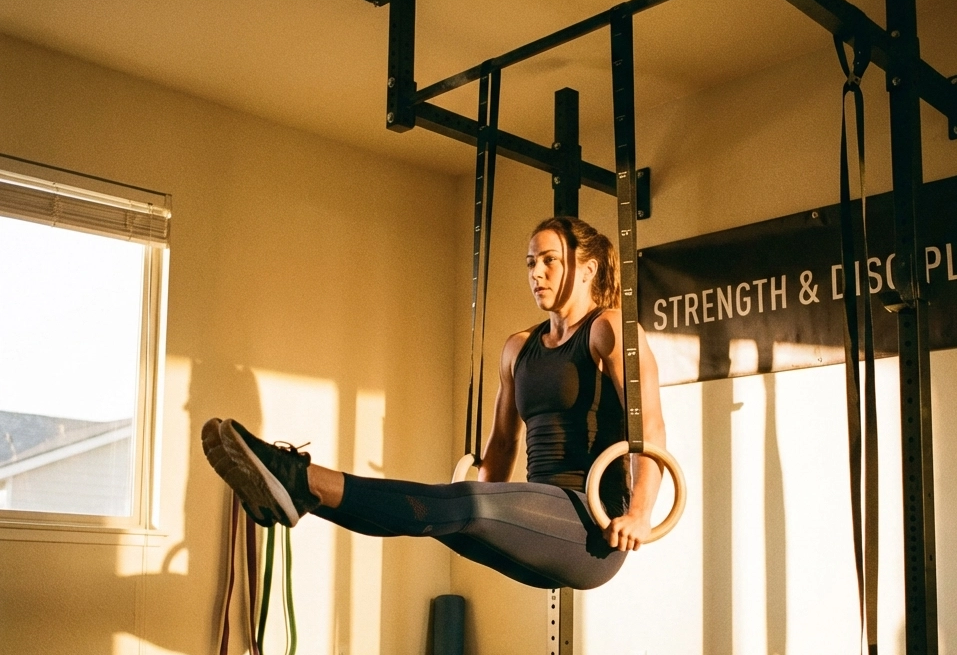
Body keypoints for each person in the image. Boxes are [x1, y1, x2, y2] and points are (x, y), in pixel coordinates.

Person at [202, 216, 666, 591]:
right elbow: (503, 444)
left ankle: (298, 478)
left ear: (586, 269)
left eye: (549, 260)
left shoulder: (610, 329)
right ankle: (295, 494)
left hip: (592, 527)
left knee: (459, 504)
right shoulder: (518, 348)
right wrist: (487, 509)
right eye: (529, 263)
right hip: (539, 523)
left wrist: (640, 513)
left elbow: (652, 434)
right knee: (433, 518)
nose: (536, 273)